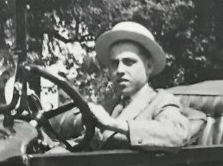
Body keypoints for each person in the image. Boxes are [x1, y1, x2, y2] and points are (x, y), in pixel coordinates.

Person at [50, 21, 200, 150]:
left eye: (129, 62)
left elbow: (178, 133)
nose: (120, 70)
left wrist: (114, 124)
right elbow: (90, 143)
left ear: (149, 67)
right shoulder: (109, 106)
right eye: (114, 64)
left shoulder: (161, 101)